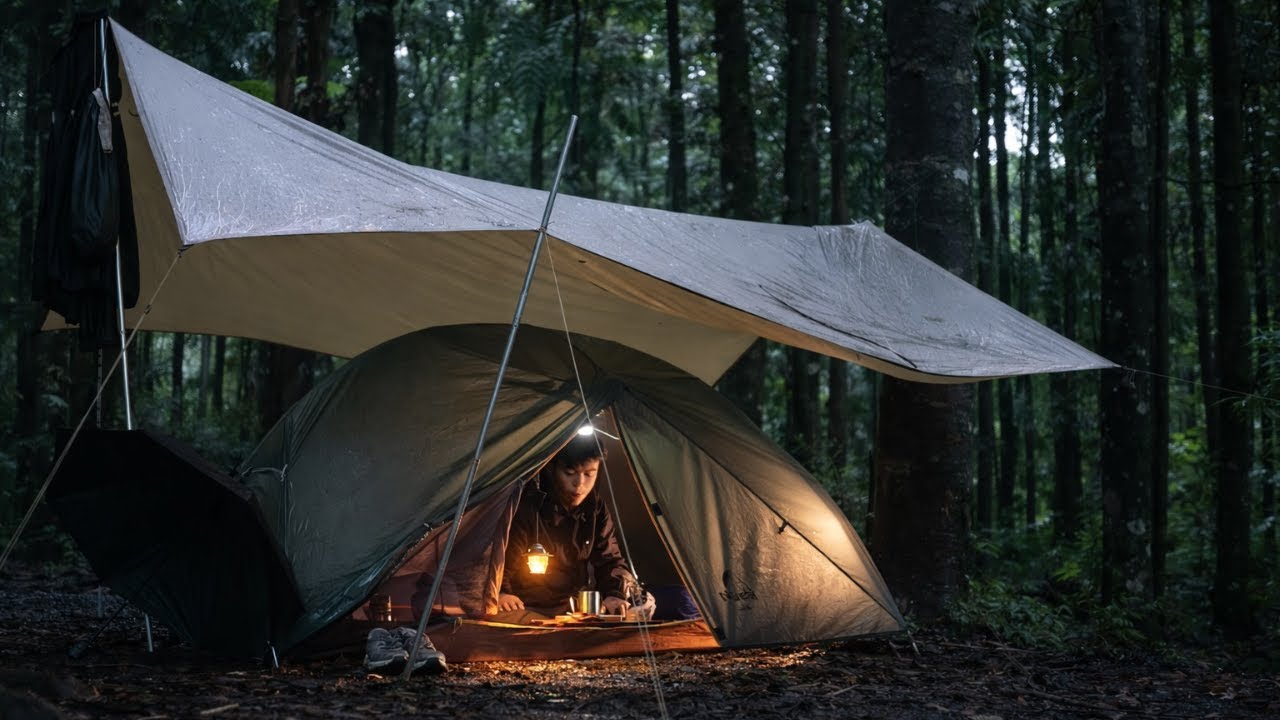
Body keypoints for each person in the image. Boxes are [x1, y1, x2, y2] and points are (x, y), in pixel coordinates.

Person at [497, 433, 634, 619]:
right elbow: (500, 558)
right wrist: (501, 593)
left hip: (571, 607)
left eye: (589, 474)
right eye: (570, 474)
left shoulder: (594, 508)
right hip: (523, 604)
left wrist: (614, 595)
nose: (580, 484)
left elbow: (609, 558)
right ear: (552, 468)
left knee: (636, 613)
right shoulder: (528, 503)